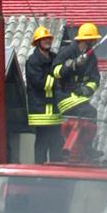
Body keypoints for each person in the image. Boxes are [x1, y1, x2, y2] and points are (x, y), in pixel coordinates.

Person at [52, 22, 102, 159]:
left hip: (79, 97)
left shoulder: (91, 58)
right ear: (83, 41)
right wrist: (72, 65)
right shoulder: (67, 52)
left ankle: (86, 147)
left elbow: (95, 79)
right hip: (65, 96)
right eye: (90, 42)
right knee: (90, 112)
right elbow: (55, 72)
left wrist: (87, 89)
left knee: (90, 113)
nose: (92, 45)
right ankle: (87, 147)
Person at [26, 26, 63, 164]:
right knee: (42, 142)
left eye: (48, 38)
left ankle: (56, 171)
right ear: (37, 42)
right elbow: (40, 83)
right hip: (40, 112)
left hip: (54, 111)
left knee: (56, 143)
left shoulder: (55, 58)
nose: (47, 41)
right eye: (43, 39)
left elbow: (61, 71)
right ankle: (40, 173)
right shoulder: (33, 61)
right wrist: (58, 80)